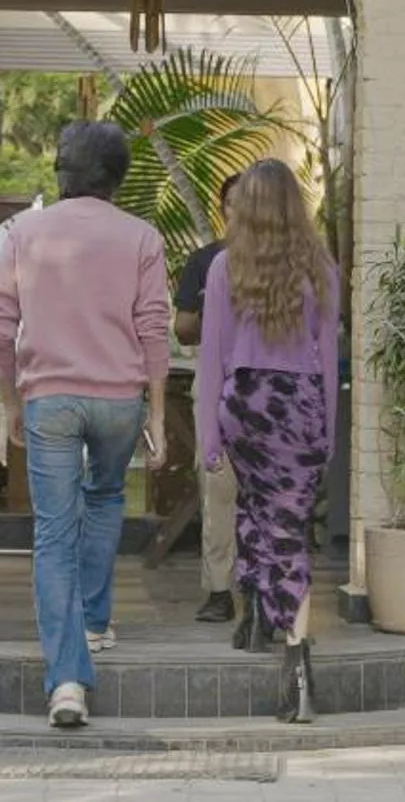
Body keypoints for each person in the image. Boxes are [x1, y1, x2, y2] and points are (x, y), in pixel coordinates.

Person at [0, 121, 171, 730]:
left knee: (53, 534)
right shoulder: (142, 237)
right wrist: (158, 413)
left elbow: (0, 327)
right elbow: (153, 329)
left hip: (52, 400)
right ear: (118, 176)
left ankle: (66, 681)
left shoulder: (25, 232)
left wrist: (11, 402)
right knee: (108, 494)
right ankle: (93, 623)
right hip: (119, 400)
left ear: (62, 172)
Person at [193, 157, 342, 724]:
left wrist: (209, 437)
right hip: (299, 405)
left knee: (258, 512)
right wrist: (327, 433)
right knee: (289, 528)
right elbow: (327, 359)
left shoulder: (224, 266)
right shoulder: (321, 269)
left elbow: (213, 359)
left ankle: (263, 619)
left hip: (246, 405)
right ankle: (294, 656)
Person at [172, 172, 247, 625]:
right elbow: (182, 327)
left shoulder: (285, 262)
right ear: (223, 209)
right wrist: (213, 313)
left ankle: (260, 587)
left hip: (267, 385)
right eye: (234, 203)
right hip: (215, 377)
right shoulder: (205, 261)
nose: (242, 210)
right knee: (217, 485)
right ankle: (219, 589)